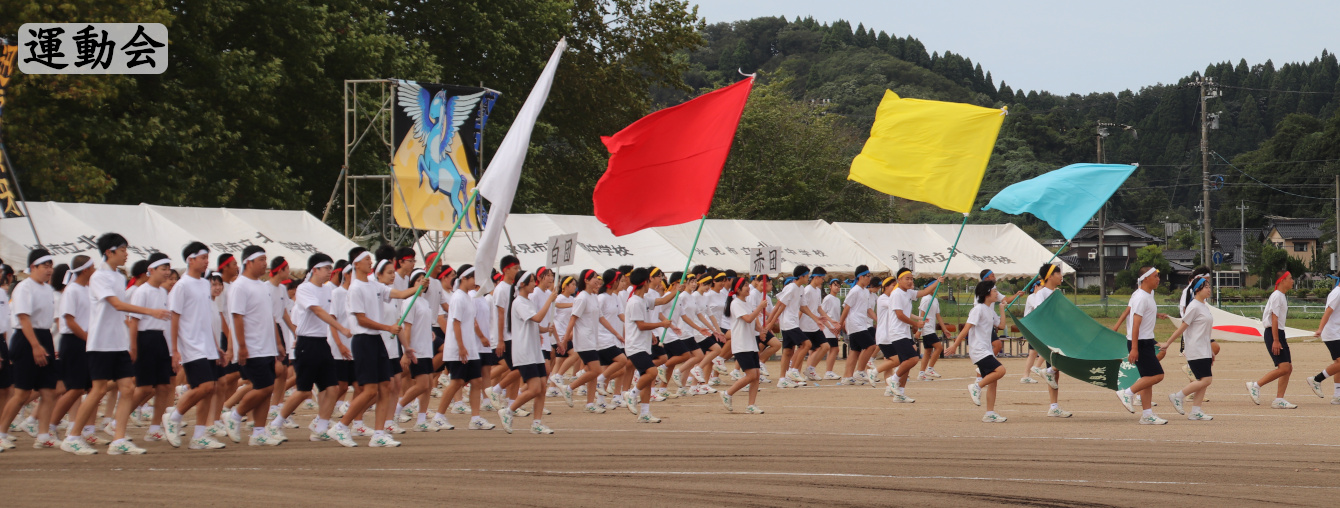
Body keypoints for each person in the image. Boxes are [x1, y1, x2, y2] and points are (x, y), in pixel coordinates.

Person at [268, 253, 353, 443]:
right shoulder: (305, 289)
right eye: (326, 269)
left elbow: (330, 314)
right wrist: (341, 329)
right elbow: (317, 311)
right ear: (315, 269)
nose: (329, 273)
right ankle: (275, 424)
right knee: (304, 390)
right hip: (307, 343)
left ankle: (320, 427)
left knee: (332, 387)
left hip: (322, 343)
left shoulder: (328, 291)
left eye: (331, 269)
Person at [162, 243, 229, 449]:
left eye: (207, 257)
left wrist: (216, 345)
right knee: (205, 386)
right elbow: (175, 319)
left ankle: (199, 435)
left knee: (210, 390)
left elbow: (206, 317)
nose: (206, 261)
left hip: (208, 344)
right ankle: (173, 417)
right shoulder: (181, 286)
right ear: (190, 260)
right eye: (202, 257)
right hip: (191, 345)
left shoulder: (203, 284)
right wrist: (175, 350)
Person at [0, 249, 58, 450]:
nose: (49, 270)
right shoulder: (24, 288)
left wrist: (47, 345)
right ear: (33, 267)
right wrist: (35, 346)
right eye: (45, 266)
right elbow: (24, 318)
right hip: (27, 339)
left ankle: (43, 436)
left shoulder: (47, 289)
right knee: (22, 392)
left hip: (44, 336)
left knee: (49, 390)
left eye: (51, 266)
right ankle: (1, 432)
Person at [499, 270, 560, 434]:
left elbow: (533, 323)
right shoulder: (519, 302)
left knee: (541, 387)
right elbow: (537, 317)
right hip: (524, 352)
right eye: (532, 281)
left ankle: (537, 422)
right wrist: (550, 300)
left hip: (535, 351)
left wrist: (545, 329)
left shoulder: (528, 302)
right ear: (523, 284)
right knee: (533, 389)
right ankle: (508, 410)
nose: (535, 283)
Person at [127, 253, 174, 443]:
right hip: (144, 338)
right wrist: (133, 346)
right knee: (144, 387)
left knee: (163, 385)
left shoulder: (163, 292)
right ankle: (117, 420)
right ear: (151, 270)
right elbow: (133, 321)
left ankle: (155, 428)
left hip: (159, 339)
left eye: (168, 269)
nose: (167, 273)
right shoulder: (142, 291)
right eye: (163, 269)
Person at [48, 256, 94, 447]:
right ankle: (49, 427)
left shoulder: (87, 290)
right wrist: (87, 338)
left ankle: (78, 429)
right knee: (73, 388)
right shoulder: (72, 290)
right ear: (85, 270)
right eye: (93, 267)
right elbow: (68, 320)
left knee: (84, 388)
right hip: (74, 341)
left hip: (85, 340)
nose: (95, 271)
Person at [1115, 266, 1169, 424]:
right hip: (1140, 342)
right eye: (1155, 276)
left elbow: (1145, 315)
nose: (1158, 279)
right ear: (1145, 278)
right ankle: (1128, 392)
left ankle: (1147, 415)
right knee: (1157, 375)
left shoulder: (1149, 294)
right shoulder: (1140, 297)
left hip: (1146, 340)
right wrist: (1134, 348)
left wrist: (1157, 315)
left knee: (1148, 378)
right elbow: (1135, 324)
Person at [949, 280, 1007, 423]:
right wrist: (955, 345)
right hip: (979, 350)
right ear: (987, 293)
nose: (996, 293)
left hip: (986, 350)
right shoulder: (978, 309)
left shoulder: (989, 310)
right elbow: (966, 329)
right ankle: (976, 386)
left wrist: (1001, 310)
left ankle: (989, 413)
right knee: (1000, 371)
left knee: (993, 381)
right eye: (994, 291)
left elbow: (1001, 325)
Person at [1162, 276, 1215, 421]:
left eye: (1210, 287)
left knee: (1202, 379)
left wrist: (1211, 350)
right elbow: (1182, 327)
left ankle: (1195, 411)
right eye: (1206, 287)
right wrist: (1168, 343)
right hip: (1195, 349)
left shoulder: (1204, 306)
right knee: (1206, 380)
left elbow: (1206, 331)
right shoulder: (1193, 306)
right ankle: (1177, 396)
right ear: (1197, 289)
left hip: (1204, 349)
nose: (1209, 289)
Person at [1246, 270, 1297, 409]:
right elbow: (1274, 319)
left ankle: (1279, 399)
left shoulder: (1281, 296)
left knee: (1288, 368)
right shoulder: (1277, 296)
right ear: (1282, 280)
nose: (1293, 281)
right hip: (1273, 334)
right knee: (1284, 367)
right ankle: (1255, 386)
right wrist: (1275, 340)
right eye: (1290, 278)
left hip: (1279, 333)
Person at [1025, 263, 1070, 418]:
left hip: (1057, 334)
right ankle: (1048, 373)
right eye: (1058, 273)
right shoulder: (1041, 293)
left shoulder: (1056, 293)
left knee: (1055, 373)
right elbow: (1041, 313)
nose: (1061, 276)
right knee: (1063, 361)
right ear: (1050, 276)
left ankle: (1054, 406)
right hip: (1050, 335)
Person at [720, 277, 767, 414]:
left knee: (756, 374)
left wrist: (761, 330)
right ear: (738, 289)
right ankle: (727, 393)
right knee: (751, 375)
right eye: (745, 285)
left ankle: (751, 405)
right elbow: (747, 319)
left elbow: (755, 320)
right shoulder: (736, 303)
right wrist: (760, 307)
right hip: (741, 344)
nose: (748, 287)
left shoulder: (747, 303)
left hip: (750, 343)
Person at [838, 266, 877, 385]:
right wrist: (840, 323)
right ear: (861, 277)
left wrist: (878, 321)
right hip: (855, 324)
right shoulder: (855, 290)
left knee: (855, 351)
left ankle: (847, 377)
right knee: (871, 346)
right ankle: (860, 371)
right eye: (868, 276)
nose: (870, 279)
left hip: (861, 323)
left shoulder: (865, 291)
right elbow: (846, 308)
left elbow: (868, 309)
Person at [1307, 273, 1340, 403]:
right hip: (1332, 333)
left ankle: (1337, 395)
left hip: (1337, 332)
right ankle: (1316, 379)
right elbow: (1328, 312)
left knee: (1338, 364)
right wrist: (1320, 329)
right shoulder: (1337, 293)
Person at [915, 280, 946, 382]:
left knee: (928, 351)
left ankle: (921, 373)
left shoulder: (935, 300)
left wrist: (944, 329)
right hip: (926, 328)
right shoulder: (926, 299)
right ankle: (930, 368)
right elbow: (922, 314)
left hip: (931, 328)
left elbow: (938, 316)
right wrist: (920, 329)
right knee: (939, 347)